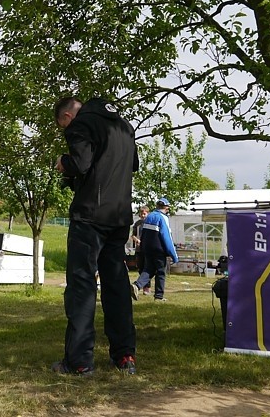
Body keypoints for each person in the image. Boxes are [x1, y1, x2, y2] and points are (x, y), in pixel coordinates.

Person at [52, 96, 138, 376]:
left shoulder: (81, 125)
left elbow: (81, 163)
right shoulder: (124, 126)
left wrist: (63, 162)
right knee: (117, 286)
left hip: (90, 217)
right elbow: (132, 165)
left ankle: (79, 361)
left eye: (62, 125)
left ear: (67, 117)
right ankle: (125, 356)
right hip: (119, 216)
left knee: (81, 286)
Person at [131, 198, 179, 302]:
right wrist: (174, 255)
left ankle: (136, 285)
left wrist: (142, 247)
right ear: (166, 208)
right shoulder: (163, 217)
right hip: (159, 249)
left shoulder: (150, 216)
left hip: (147, 248)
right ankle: (159, 296)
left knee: (148, 269)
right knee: (161, 272)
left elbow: (143, 233)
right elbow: (166, 237)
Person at [130, 206, 151, 294]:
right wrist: (136, 240)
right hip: (139, 249)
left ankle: (147, 287)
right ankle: (143, 284)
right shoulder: (137, 223)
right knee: (140, 266)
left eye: (144, 214)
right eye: (141, 214)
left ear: (148, 214)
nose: (143, 215)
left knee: (147, 267)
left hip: (147, 248)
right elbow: (133, 235)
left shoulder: (150, 223)